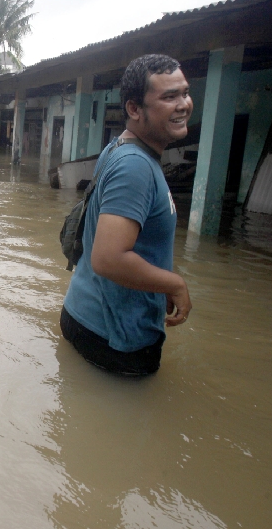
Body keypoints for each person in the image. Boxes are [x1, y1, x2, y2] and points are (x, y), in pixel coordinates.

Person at [60, 54, 193, 376]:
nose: (183, 104)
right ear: (134, 109)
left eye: (185, 93)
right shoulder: (135, 166)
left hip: (85, 314)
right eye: (169, 96)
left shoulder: (118, 149)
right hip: (114, 336)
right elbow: (108, 258)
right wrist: (175, 285)